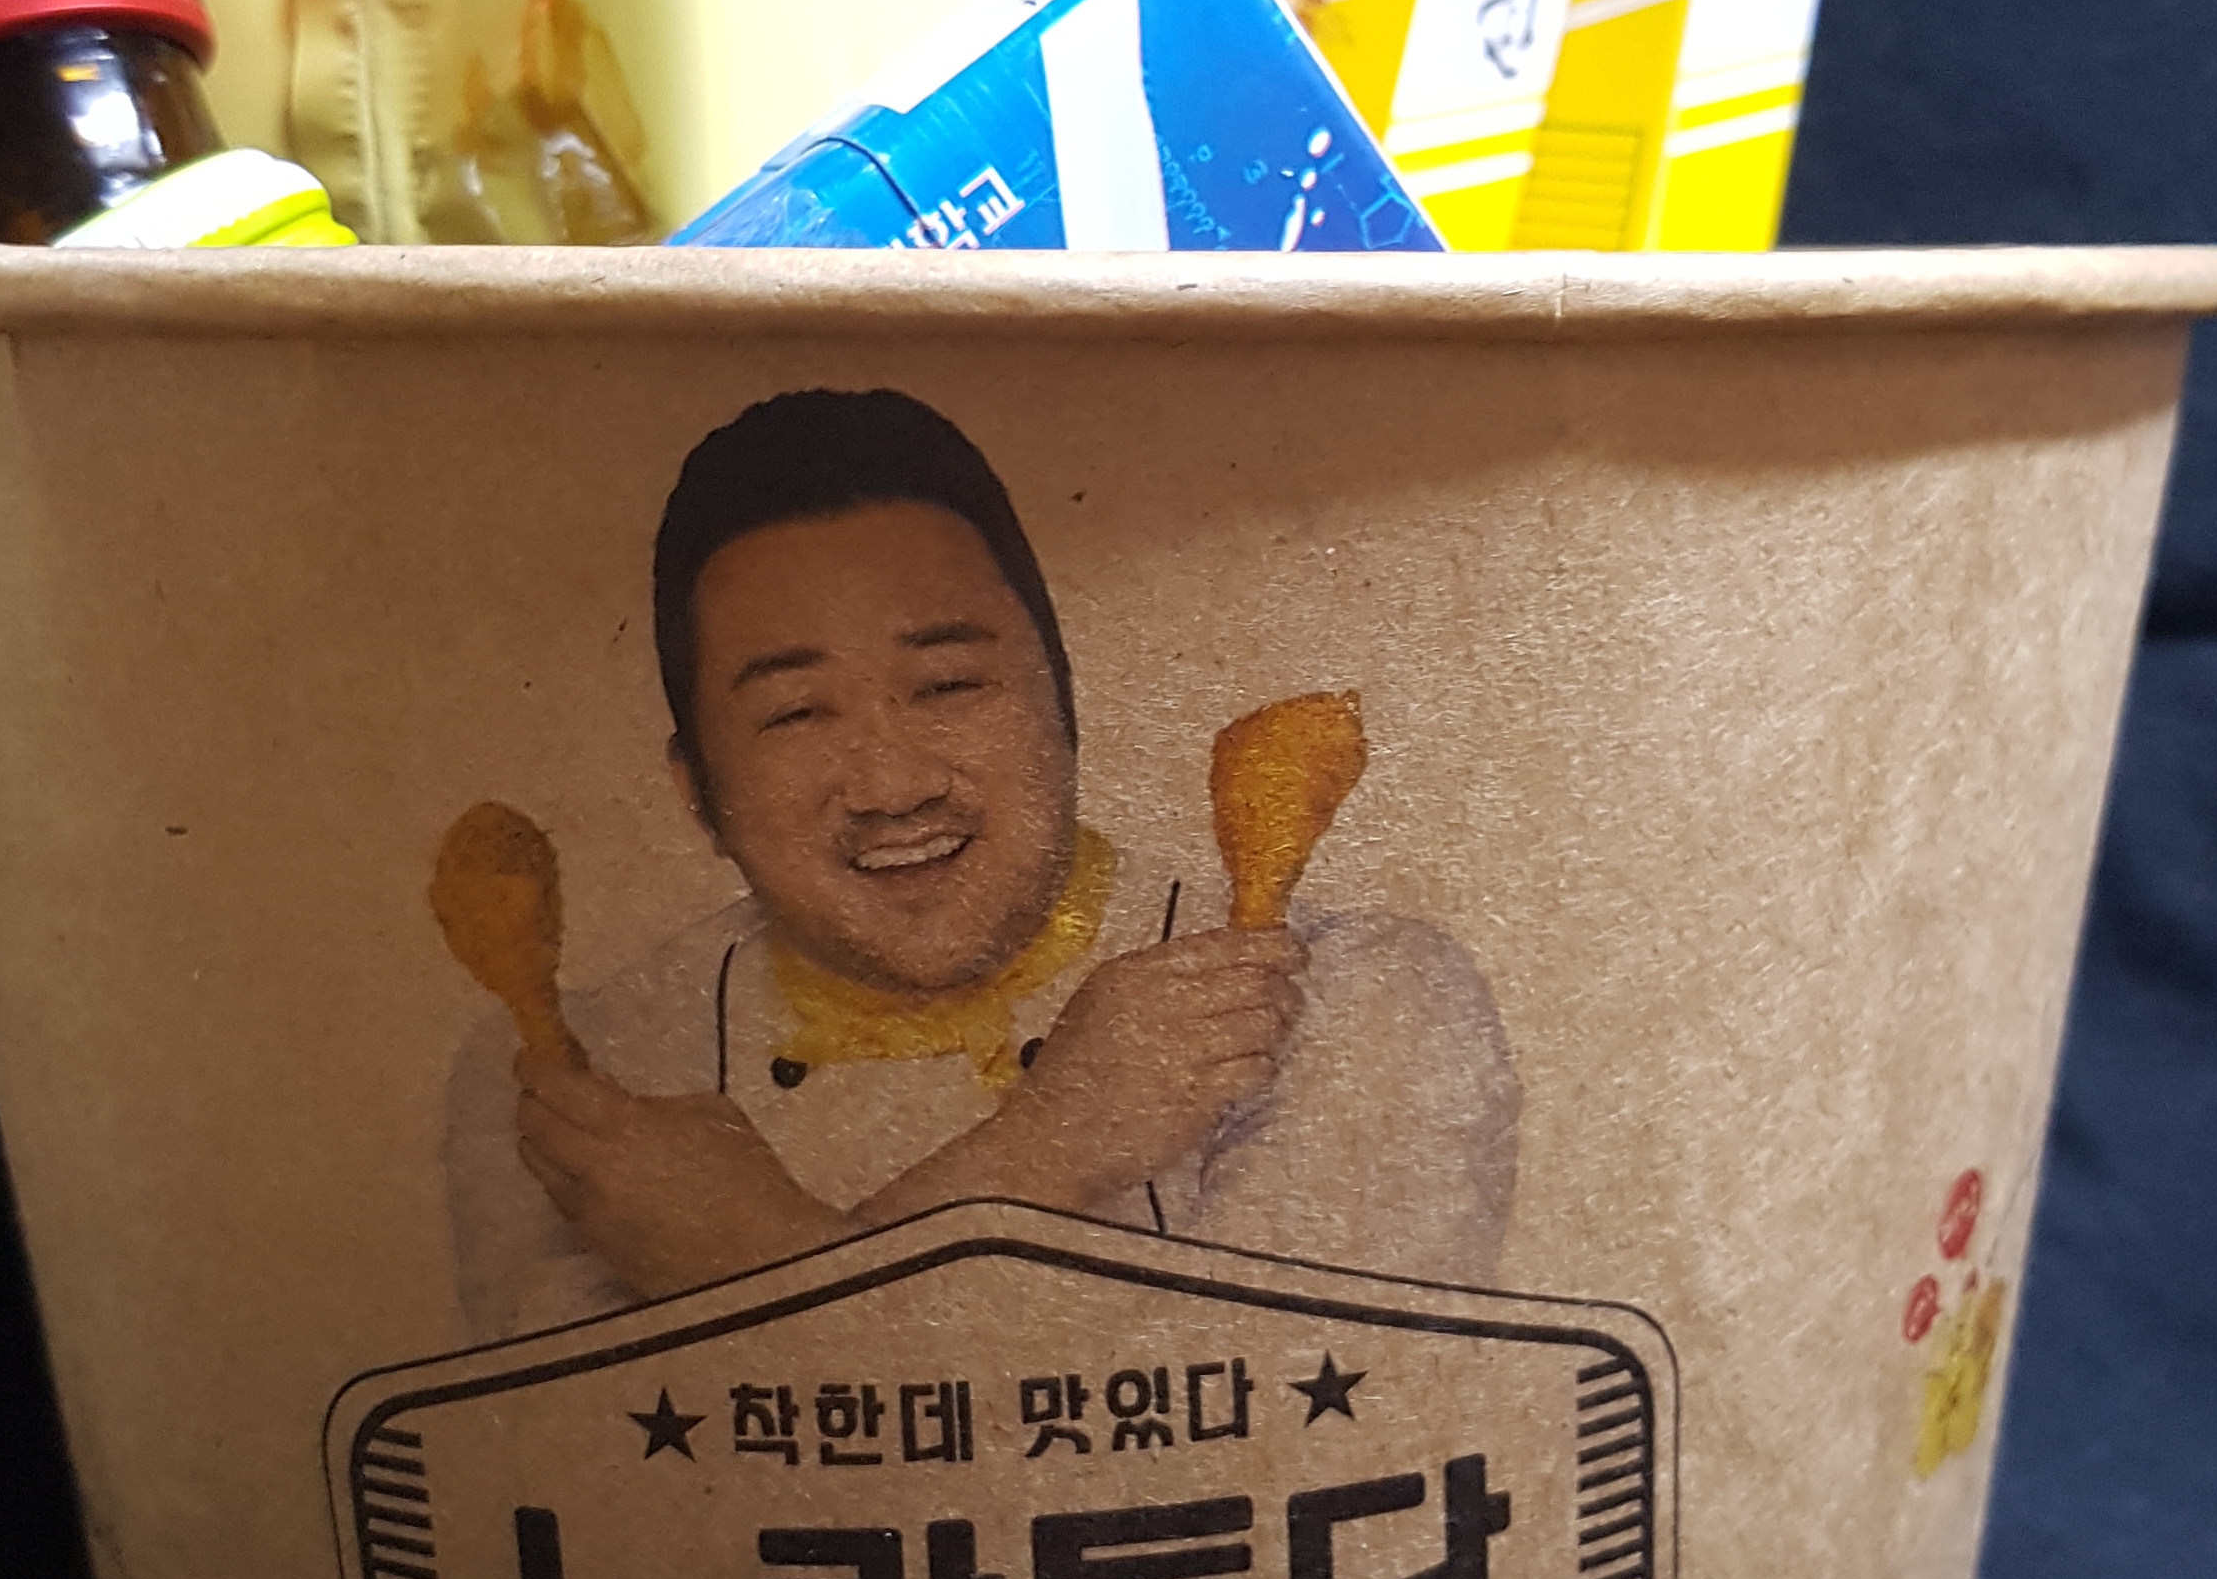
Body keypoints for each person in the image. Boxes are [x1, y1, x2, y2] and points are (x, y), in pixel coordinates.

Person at [443, 389, 1518, 1337]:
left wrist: (744, 1259)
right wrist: (1054, 1146)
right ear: (697, 792)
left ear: (1064, 701)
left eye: (949, 686)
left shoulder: (1363, 1003)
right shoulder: (574, 1084)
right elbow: (604, 1477)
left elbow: (1285, 1427)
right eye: (797, 712)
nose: (892, 784)